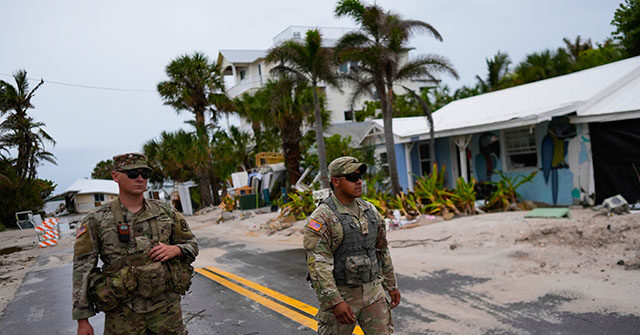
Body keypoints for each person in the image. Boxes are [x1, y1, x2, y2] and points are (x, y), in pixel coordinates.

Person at [72, 153, 198, 335]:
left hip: (166, 313)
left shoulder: (166, 211)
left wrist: (176, 249)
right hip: (122, 316)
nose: (140, 179)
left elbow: (192, 244)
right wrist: (83, 321)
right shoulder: (96, 220)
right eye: (132, 174)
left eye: (145, 174)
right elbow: (82, 270)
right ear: (116, 176)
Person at [303, 156, 401, 335]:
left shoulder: (370, 210)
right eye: (353, 178)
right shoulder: (322, 218)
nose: (359, 182)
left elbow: (381, 250)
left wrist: (391, 286)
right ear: (336, 181)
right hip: (342, 296)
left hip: (373, 292)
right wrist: (334, 301)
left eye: (360, 177)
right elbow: (318, 266)